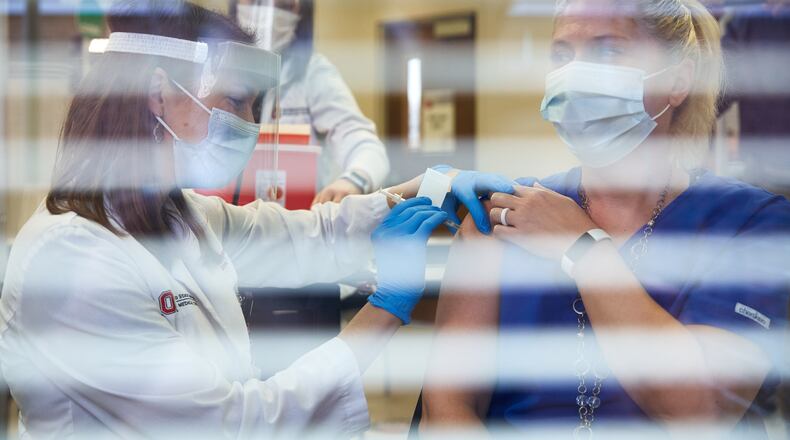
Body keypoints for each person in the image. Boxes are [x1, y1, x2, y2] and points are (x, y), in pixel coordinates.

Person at [0, 2, 513, 438]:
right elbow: (235, 425)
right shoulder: (72, 260)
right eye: (236, 101)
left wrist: (426, 189)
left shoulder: (182, 220)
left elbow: (310, 235)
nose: (251, 123)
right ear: (160, 94)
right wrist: (385, 308)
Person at [421, 0, 790, 438]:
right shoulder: (504, 215)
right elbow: (446, 409)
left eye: (608, 50)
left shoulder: (751, 225)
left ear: (678, 79)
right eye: (562, 55)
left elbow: (701, 406)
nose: (575, 76)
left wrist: (583, 249)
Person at [233, 0, 391, 204]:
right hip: (227, 221)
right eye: (256, 1)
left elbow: (359, 138)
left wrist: (354, 180)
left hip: (297, 221)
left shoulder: (313, 72)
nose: (268, 12)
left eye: (283, 6)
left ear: (301, 12)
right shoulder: (217, 68)